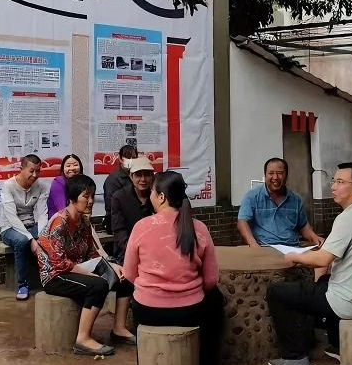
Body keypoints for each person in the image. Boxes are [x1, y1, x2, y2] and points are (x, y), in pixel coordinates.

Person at [266, 162, 352, 365]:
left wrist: (294, 256)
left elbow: (322, 259)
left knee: (277, 292)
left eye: (340, 182)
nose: (333, 187)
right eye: (333, 181)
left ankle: (295, 357)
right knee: (321, 282)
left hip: (347, 304)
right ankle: (338, 345)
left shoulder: (347, 219)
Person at [123, 170, 224, 365]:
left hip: (148, 310)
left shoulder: (141, 226)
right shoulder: (199, 228)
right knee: (215, 301)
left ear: (161, 197)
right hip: (190, 311)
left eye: (152, 192)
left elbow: (128, 273)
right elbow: (211, 280)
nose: (150, 196)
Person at [36, 174, 136, 357]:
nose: (90, 201)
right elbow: (60, 264)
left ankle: (119, 329)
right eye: (85, 196)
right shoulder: (59, 222)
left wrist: (112, 266)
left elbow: (92, 253)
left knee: (125, 277)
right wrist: (93, 275)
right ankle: (83, 339)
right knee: (98, 285)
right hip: (55, 276)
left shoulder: (84, 221)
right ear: (72, 198)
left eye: (92, 196)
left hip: (78, 268)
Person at [237, 158, 323, 253]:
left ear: (286, 175)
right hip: (265, 248)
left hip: (292, 248)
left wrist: (314, 237)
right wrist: (253, 244)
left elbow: (303, 226)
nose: (275, 177)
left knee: (321, 259)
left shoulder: (296, 199)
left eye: (280, 173)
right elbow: (242, 222)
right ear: (265, 175)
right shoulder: (252, 196)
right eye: (271, 173)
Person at [0, 154, 49, 300]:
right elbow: (11, 216)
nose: (35, 175)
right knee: (22, 241)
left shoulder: (42, 186)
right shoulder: (8, 186)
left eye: (38, 171)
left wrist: (41, 236)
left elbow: (42, 214)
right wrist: (31, 239)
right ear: (21, 169)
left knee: (49, 237)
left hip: (31, 225)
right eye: (31, 171)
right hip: (10, 228)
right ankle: (22, 285)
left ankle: (50, 279)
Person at [109, 155, 154, 263]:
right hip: (126, 253)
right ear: (131, 176)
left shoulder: (156, 196)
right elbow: (119, 230)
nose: (143, 179)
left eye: (146, 175)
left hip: (154, 251)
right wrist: (133, 252)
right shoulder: (119, 197)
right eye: (138, 175)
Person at [102, 144, 138, 235]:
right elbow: (111, 206)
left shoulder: (137, 175)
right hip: (118, 222)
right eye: (127, 157)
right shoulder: (113, 179)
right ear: (120, 158)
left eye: (133, 157)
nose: (130, 160)